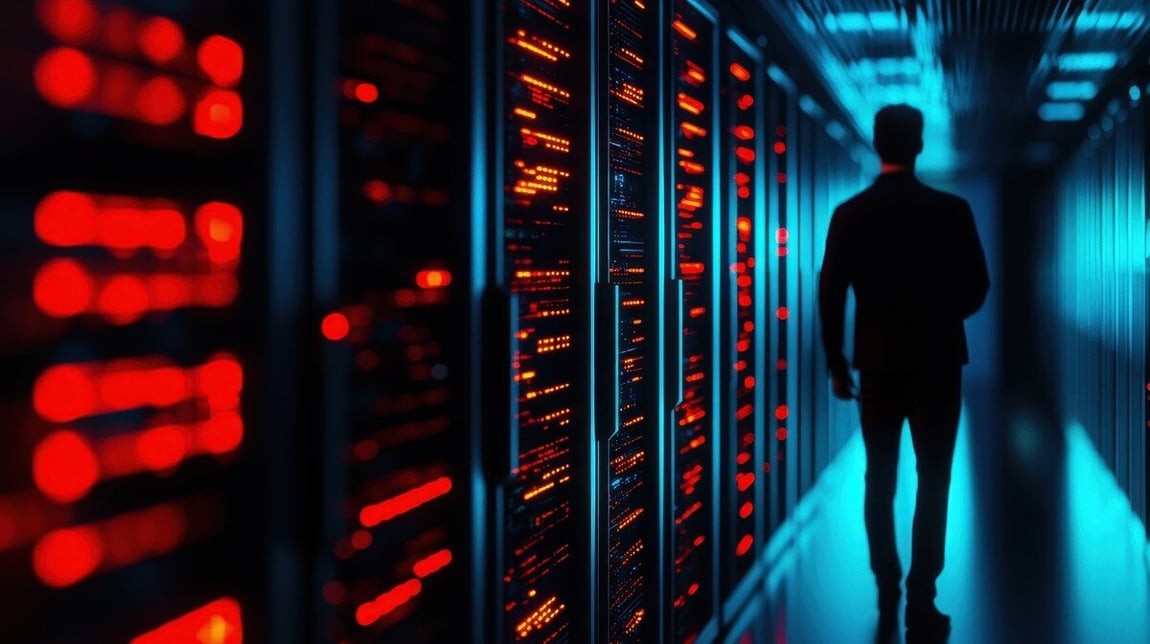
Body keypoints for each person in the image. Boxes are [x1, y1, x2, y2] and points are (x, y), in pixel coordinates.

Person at [818, 104, 990, 641]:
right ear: (918, 145)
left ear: (876, 145)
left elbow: (830, 293)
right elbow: (977, 287)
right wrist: (938, 315)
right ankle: (922, 596)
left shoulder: (850, 214)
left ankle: (887, 583)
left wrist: (836, 360)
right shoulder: (952, 210)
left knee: (880, 476)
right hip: (939, 362)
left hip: (878, 363)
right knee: (934, 476)